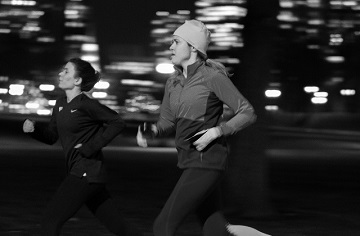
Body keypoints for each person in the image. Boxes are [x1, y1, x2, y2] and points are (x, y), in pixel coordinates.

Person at [137, 20, 271, 236]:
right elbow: (168, 120)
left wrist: (217, 131)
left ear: (192, 47)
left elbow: (247, 112)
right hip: (188, 160)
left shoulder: (212, 77)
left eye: (176, 42)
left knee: (162, 227)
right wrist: (152, 130)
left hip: (207, 162)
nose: (170, 47)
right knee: (216, 230)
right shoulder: (173, 82)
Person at [23, 58, 139, 236]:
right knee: (119, 227)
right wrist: (34, 130)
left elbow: (117, 122)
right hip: (84, 174)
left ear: (77, 81)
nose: (61, 74)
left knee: (50, 221)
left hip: (86, 172)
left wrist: (90, 147)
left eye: (66, 71)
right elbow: (52, 137)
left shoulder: (87, 105)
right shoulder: (60, 104)